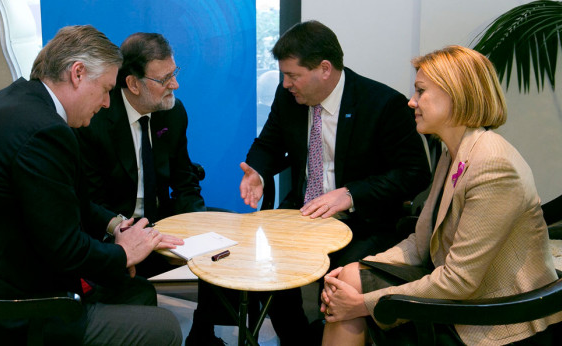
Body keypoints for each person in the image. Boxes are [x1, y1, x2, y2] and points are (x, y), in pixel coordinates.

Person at [0, 25, 183, 345]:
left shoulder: (21, 99)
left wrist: (114, 225)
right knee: (166, 327)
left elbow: (62, 202)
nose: (105, 103)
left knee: (136, 294)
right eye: (104, 90)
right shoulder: (45, 131)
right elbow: (65, 251)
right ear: (77, 73)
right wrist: (122, 255)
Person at [320, 45, 562, 345]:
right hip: (467, 289)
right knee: (347, 280)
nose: (411, 102)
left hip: (496, 315)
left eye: (420, 91)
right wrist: (361, 266)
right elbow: (422, 243)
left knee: (349, 303)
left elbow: (459, 282)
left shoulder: (493, 165)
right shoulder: (455, 151)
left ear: (455, 95)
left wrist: (363, 305)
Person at [238, 20, 431, 344]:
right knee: (265, 265)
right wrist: (256, 171)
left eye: (293, 75)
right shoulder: (289, 98)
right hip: (302, 210)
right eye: (284, 75)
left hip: (363, 219)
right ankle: (298, 339)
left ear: (324, 69)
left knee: (340, 276)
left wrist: (352, 193)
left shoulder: (381, 104)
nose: (285, 84)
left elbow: (414, 173)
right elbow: (268, 143)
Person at [74, 32, 227, 346]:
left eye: (175, 74)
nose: (175, 85)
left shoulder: (172, 110)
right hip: (116, 232)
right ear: (133, 84)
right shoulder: (96, 118)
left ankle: (203, 334)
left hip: (161, 221)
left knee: (219, 237)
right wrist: (126, 237)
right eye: (165, 78)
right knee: (135, 293)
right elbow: (90, 201)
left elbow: (184, 178)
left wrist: (197, 226)